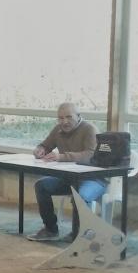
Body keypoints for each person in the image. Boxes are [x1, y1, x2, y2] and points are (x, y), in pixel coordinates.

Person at [28, 102, 107, 242]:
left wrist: (61, 157)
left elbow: (91, 155)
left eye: (69, 117)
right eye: (61, 118)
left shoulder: (89, 129)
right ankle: (50, 229)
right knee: (41, 185)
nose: (64, 121)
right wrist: (40, 150)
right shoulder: (58, 130)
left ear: (78, 116)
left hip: (93, 178)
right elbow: (45, 145)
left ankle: (82, 234)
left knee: (81, 196)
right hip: (69, 177)